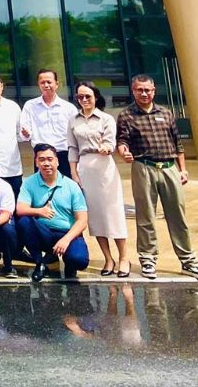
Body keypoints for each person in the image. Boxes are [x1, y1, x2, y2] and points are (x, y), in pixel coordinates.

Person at [116, 74, 198, 281]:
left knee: (178, 216)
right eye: (140, 90)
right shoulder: (126, 115)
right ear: (133, 90)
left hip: (169, 168)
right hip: (143, 167)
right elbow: (122, 141)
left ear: (154, 90)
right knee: (145, 216)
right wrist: (124, 153)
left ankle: (188, 260)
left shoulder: (166, 113)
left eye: (148, 90)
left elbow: (178, 144)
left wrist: (182, 169)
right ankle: (148, 259)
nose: (144, 93)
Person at [69, 81, 128, 277]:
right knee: (95, 215)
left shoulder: (106, 118)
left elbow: (110, 141)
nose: (84, 100)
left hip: (104, 167)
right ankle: (108, 258)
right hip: (84, 167)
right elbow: (72, 148)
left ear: (96, 97)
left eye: (88, 96)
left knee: (113, 212)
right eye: (80, 97)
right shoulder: (73, 120)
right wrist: (74, 173)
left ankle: (123, 257)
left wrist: (106, 147)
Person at [16, 144, 89, 281]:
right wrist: (38, 211)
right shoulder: (29, 183)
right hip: (44, 232)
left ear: (57, 161)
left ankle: (69, 262)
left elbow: (82, 219)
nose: (46, 163)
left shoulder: (71, 186)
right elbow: (20, 209)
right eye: (41, 159)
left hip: (68, 233)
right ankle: (40, 262)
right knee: (24, 221)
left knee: (79, 260)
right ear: (36, 162)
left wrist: (66, 240)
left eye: (50, 159)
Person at [20, 69, 78, 179]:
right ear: (38, 85)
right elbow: (24, 134)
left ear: (57, 84)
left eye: (49, 82)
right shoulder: (30, 106)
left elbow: (76, 133)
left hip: (63, 154)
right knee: (43, 189)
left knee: (65, 189)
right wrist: (26, 133)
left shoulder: (69, 108)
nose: (46, 85)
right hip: (41, 155)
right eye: (42, 82)